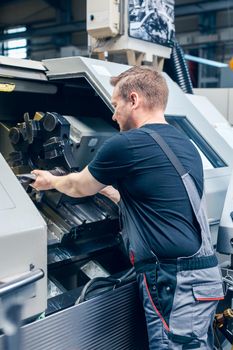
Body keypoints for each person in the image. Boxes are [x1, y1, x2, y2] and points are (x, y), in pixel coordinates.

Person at [31, 66, 224, 349]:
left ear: (133, 100)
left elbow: (78, 187)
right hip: (201, 277)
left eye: (115, 104)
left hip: (174, 281)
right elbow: (159, 204)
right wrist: (110, 191)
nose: (112, 115)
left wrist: (51, 180)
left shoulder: (128, 144)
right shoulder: (185, 144)